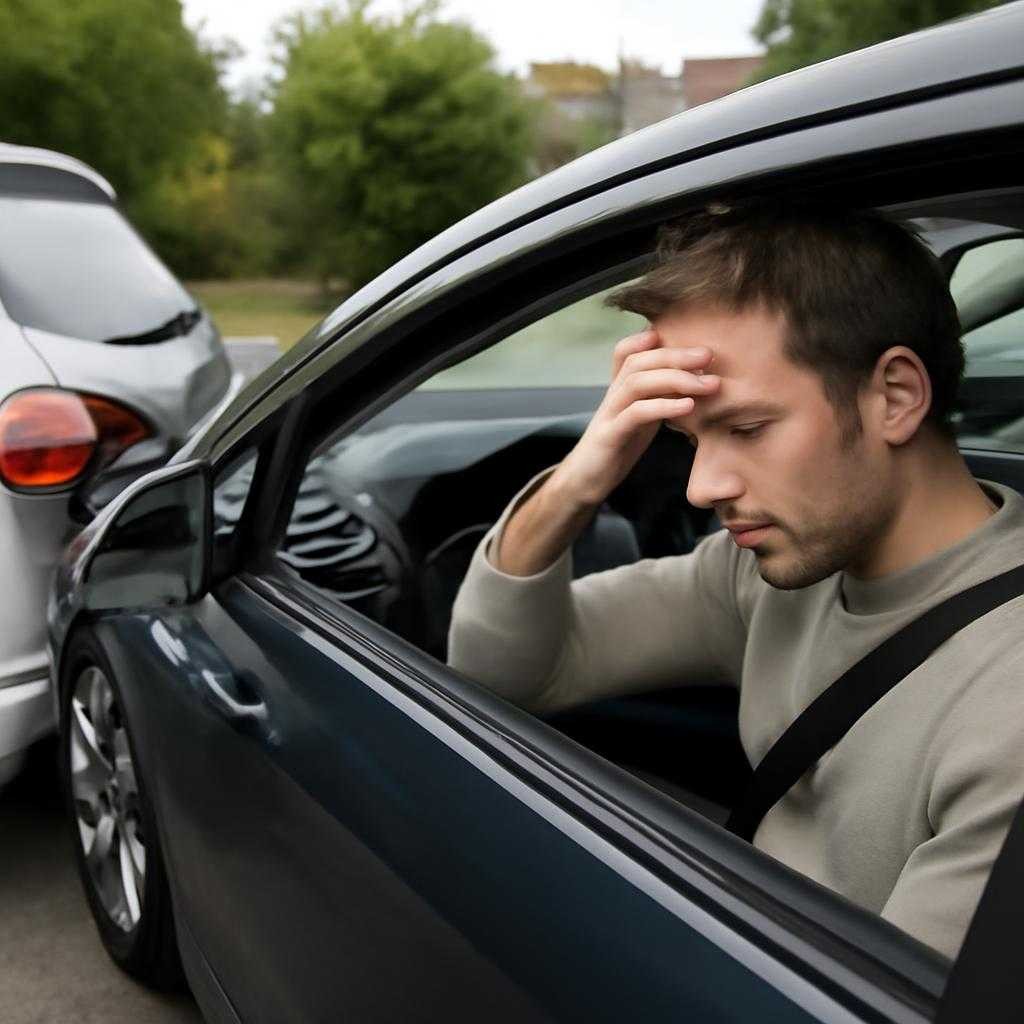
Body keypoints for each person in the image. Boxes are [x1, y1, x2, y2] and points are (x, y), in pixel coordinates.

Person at [446, 202, 1024, 961]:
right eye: (687, 439)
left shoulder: (1005, 712)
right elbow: (504, 672)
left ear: (895, 397)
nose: (701, 487)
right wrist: (579, 484)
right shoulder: (765, 573)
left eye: (746, 429)